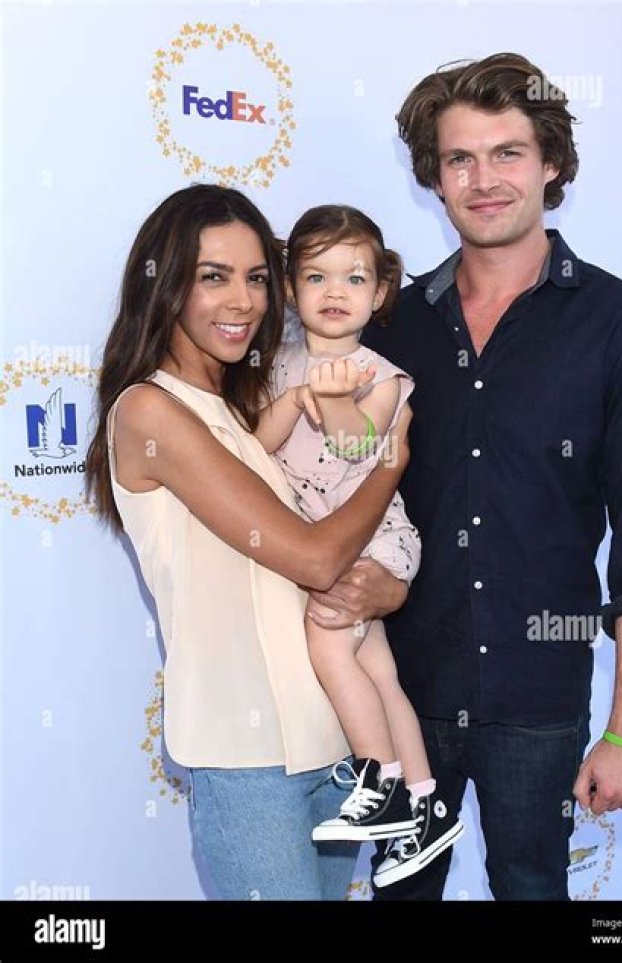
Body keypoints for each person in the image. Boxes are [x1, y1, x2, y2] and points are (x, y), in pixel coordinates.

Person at [308, 53, 622, 899]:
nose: (483, 181)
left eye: (507, 153)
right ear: (434, 177)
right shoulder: (390, 324)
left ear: (551, 164)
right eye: (459, 159)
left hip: (537, 700)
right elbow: (331, 479)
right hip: (399, 690)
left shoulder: (621, 320)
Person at [85, 184, 413, 901]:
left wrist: (387, 587)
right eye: (214, 276)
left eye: (258, 278)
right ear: (165, 283)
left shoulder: (251, 404)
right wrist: (393, 460)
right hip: (246, 761)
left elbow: (339, 552)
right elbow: (314, 556)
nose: (242, 301)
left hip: (335, 746)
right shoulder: (150, 410)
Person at [253, 205, 464, 881]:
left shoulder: (383, 375)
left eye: (354, 277)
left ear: (379, 293)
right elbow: (255, 449)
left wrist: (336, 398)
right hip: (327, 544)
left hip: (377, 543)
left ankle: (379, 782)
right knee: (379, 672)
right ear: (291, 290)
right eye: (316, 276)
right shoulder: (276, 367)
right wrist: (296, 399)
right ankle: (426, 805)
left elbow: (355, 445)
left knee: (326, 642)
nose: (335, 292)